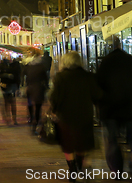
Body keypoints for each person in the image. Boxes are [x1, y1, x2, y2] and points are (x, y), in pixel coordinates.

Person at [50, 51, 102, 181]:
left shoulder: (61, 77)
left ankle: (72, 168)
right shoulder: (88, 76)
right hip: (84, 114)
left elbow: (55, 97)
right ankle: (79, 162)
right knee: (81, 142)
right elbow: (97, 95)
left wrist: (54, 109)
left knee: (68, 143)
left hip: (66, 115)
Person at [96, 36, 132, 174]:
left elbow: (98, 85)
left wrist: (101, 105)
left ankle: (116, 169)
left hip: (110, 109)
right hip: (129, 108)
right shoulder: (130, 60)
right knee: (131, 140)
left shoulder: (105, 62)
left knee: (112, 140)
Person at [25, 48, 49, 131]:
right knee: (38, 106)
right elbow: (45, 78)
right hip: (38, 88)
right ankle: (36, 122)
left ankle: (31, 118)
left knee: (30, 104)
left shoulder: (29, 66)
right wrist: (46, 87)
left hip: (30, 88)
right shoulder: (42, 66)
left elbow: (26, 76)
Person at [0, 58, 21, 125]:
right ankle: (8, 118)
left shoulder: (16, 64)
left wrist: (18, 87)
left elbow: (18, 76)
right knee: (6, 102)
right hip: (5, 85)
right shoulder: (2, 64)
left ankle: (14, 119)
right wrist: (6, 75)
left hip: (12, 85)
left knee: (13, 102)